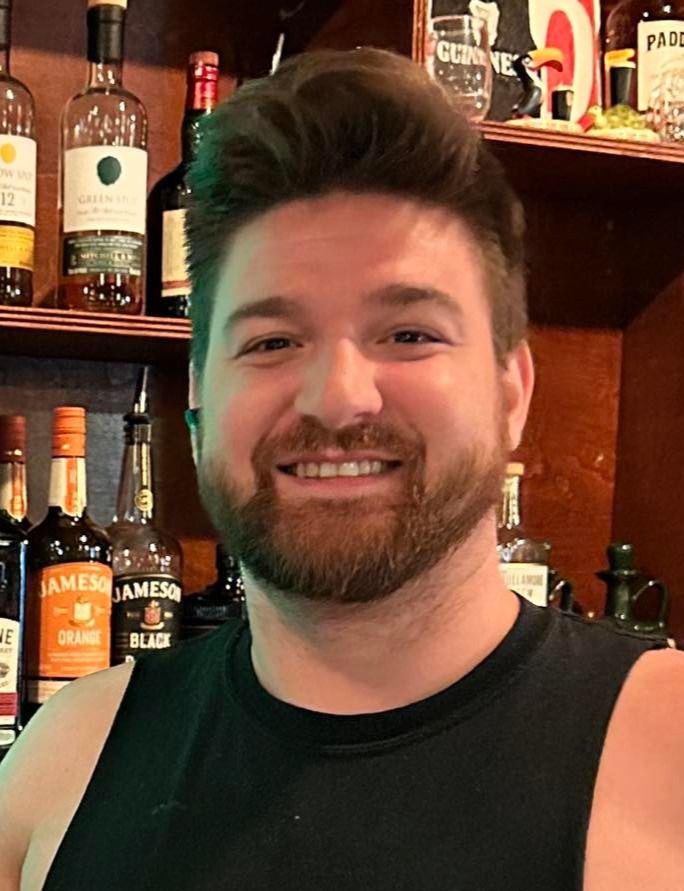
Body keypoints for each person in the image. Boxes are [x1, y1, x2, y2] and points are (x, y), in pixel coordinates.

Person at [1, 47, 683, 891]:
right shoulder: (59, 767)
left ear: (513, 391)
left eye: (409, 333)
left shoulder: (669, 759)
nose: (336, 397)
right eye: (273, 342)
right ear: (199, 403)